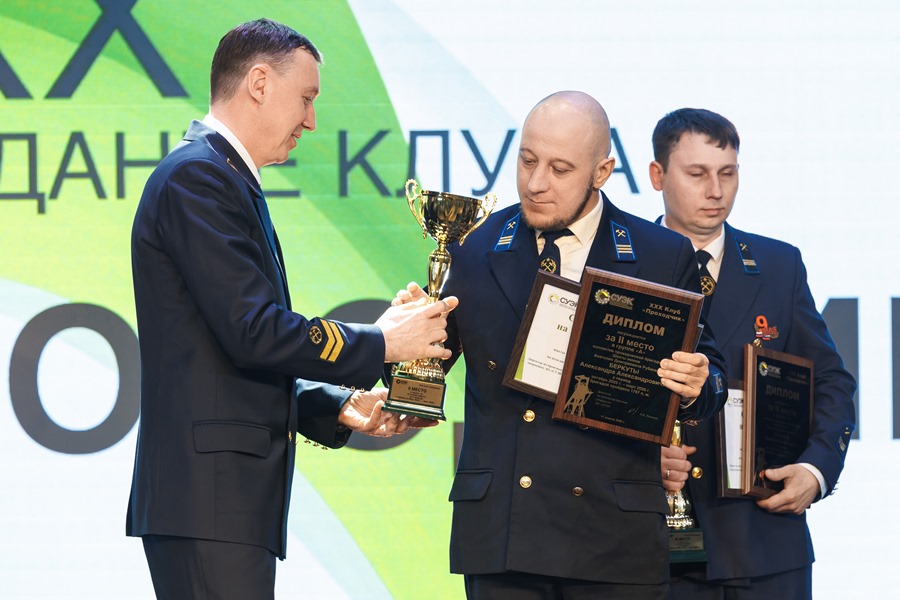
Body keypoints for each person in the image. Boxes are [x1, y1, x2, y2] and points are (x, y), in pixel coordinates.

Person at [126, 18, 452, 599]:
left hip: (221, 503)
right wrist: (384, 341)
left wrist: (336, 405)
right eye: (306, 98)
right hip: (209, 501)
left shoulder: (222, 177)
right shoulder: (198, 177)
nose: (311, 120)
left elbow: (225, 359)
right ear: (259, 83)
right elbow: (253, 331)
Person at [394, 91, 728, 599]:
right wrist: (406, 339)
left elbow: (712, 378)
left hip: (614, 537)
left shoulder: (662, 254)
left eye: (560, 169)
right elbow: (425, 371)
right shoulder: (475, 244)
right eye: (527, 161)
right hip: (504, 533)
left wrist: (698, 383)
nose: (535, 183)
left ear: (602, 172)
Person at [650, 108, 857, 599]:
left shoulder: (779, 265)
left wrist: (816, 470)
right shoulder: (620, 265)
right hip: (653, 549)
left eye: (728, 173)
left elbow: (832, 381)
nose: (715, 190)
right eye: (697, 174)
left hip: (765, 541)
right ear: (658, 175)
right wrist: (635, 464)